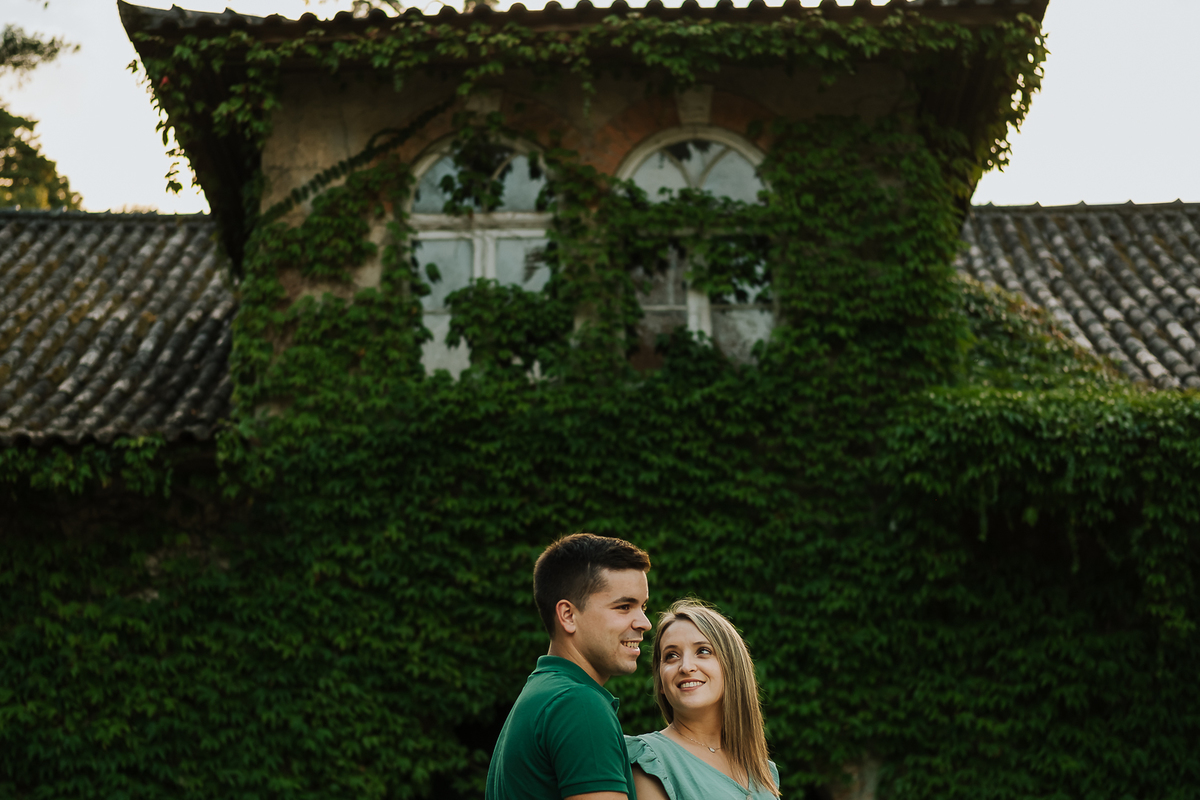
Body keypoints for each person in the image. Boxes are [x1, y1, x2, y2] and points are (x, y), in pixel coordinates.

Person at [485, 533, 653, 800]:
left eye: (643, 606)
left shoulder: (544, 693)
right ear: (568, 615)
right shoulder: (577, 705)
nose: (644, 622)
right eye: (624, 606)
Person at [626, 600, 781, 800]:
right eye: (671, 656)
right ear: (661, 683)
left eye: (703, 651)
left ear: (733, 667)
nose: (686, 667)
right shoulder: (650, 758)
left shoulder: (763, 770)